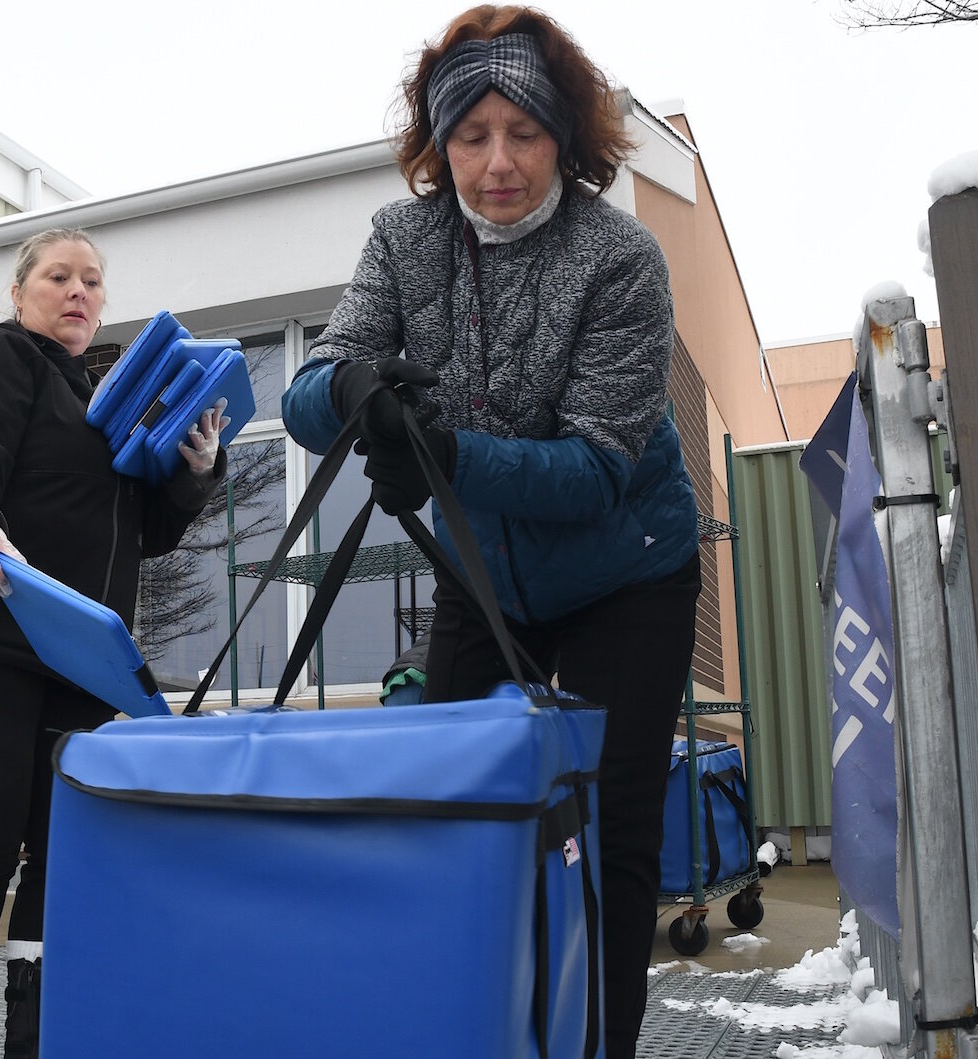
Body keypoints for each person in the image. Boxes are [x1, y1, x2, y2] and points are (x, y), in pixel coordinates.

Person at [280, 8, 701, 1056]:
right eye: (470, 135)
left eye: (523, 133)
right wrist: (357, 391)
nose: (497, 163)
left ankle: (599, 1041)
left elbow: (598, 473)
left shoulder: (620, 258)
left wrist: (447, 457)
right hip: (484, 574)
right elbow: (302, 396)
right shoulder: (402, 238)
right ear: (438, 142)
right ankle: (462, 1029)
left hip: (625, 575)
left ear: (565, 136)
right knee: (447, 810)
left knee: (608, 834)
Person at [0, 227, 227, 1059]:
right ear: (19, 292)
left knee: (67, 850)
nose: (78, 291)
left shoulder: (105, 404)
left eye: (93, 281)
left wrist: (192, 472)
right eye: (58, 275)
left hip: (72, 651)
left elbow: (142, 533)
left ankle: (34, 1039)